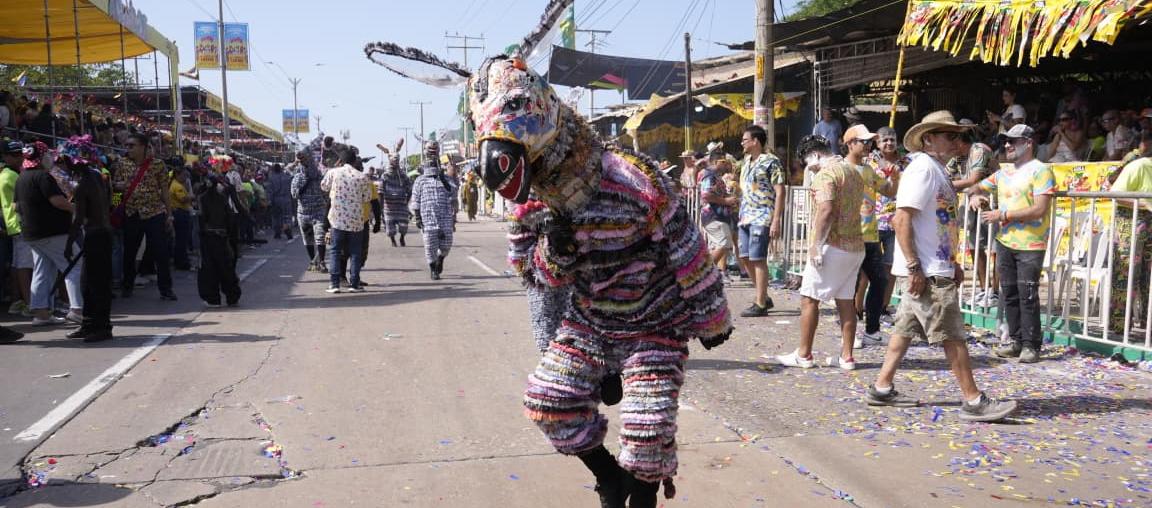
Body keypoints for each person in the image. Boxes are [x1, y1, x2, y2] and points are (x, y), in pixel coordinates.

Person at [865, 110, 1018, 422]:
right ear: (928, 139)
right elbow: (901, 219)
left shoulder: (936, 170)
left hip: (934, 265)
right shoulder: (923, 169)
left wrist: (953, 261)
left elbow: (939, 221)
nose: (956, 142)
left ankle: (882, 387)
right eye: (949, 136)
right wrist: (914, 267)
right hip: (927, 271)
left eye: (958, 136)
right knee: (953, 335)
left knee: (904, 330)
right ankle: (973, 400)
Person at [776, 135, 866, 370]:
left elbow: (826, 210)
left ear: (815, 155)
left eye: (808, 163)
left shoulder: (826, 174)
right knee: (846, 301)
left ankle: (804, 354)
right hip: (855, 247)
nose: (810, 168)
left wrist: (816, 245)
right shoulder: (853, 171)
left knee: (809, 298)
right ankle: (846, 357)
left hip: (831, 247)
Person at [969, 124, 1056, 364]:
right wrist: (976, 195)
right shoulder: (1003, 173)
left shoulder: (1041, 171)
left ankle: (1031, 345)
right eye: (1005, 141)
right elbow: (977, 186)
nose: (1007, 145)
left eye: (1013, 141)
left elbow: (1039, 209)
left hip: (1031, 243)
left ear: (1028, 143)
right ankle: (1017, 341)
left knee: (1027, 295)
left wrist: (1003, 215)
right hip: (1005, 241)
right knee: (1009, 293)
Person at [15, 140, 82, 326]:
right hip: (53, 232)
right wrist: (76, 209)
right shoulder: (44, 176)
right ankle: (77, 310)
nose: (53, 159)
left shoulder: (22, 178)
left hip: (32, 233)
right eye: (49, 156)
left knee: (42, 271)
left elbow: (15, 207)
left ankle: (41, 313)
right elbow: (58, 201)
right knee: (73, 265)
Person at [843, 125, 898, 348]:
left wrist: (895, 178)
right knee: (851, 286)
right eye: (863, 141)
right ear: (850, 144)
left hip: (870, 236)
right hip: (848, 236)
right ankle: (849, 333)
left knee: (879, 280)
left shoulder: (868, 170)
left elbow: (889, 190)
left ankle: (872, 331)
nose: (867, 145)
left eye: (869, 142)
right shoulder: (841, 170)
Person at [62, 137, 114, 342]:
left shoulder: (82, 184)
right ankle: (90, 324)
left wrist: (69, 244)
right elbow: (110, 201)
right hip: (103, 233)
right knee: (91, 284)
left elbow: (78, 218)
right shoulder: (98, 175)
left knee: (95, 285)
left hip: (95, 235)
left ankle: (102, 327)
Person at [113, 133, 176, 300]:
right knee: (129, 252)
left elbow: (165, 191)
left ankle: (166, 289)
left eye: (131, 145)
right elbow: (116, 190)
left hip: (154, 212)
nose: (128, 149)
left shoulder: (158, 165)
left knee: (161, 252)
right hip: (131, 213)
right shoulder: (122, 164)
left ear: (143, 146)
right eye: (127, 145)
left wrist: (169, 214)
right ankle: (127, 286)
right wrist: (116, 206)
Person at [737, 125, 786, 317]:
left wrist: (776, 220)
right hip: (745, 215)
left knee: (758, 258)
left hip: (762, 214)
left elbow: (780, 191)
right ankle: (763, 295)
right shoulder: (746, 161)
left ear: (755, 141)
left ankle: (760, 303)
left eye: (745, 140)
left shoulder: (771, 162)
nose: (742, 143)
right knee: (744, 256)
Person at [1106, 130, 1152, 335]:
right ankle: (1119, 324)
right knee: (1126, 273)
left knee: (1148, 276)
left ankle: (1147, 323)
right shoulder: (1138, 165)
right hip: (1130, 222)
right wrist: (1142, 204)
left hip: (1147, 222)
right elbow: (1115, 193)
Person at [950, 124, 1000, 307]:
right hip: (973, 203)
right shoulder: (956, 156)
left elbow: (973, 179)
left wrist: (940, 185)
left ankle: (995, 292)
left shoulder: (979, 149)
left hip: (993, 203)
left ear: (959, 141)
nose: (948, 144)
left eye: (950, 140)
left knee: (996, 248)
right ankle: (984, 289)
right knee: (974, 246)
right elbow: (946, 174)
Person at [867, 127, 908, 315]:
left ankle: (883, 306)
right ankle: (860, 308)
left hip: (897, 222)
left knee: (890, 266)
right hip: (872, 221)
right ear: (877, 143)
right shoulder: (869, 162)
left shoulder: (906, 162)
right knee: (867, 268)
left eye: (892, 139)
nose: (889, 143)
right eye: (885, 140)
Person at [321, 149, 372, 293]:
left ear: (341, 161)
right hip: (356, 220)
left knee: (335, 251)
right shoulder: (362, 176)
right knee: (355, 251)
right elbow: (367, 198)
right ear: (355, 161)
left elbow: (323, 186)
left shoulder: (333, 172)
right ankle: (354, 284)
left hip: (337, 219)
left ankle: (334, 284)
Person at [409, 141, 458, 280]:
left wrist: (443, 179)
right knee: (430, 246)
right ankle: (433, 269)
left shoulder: (446, 179)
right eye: (430, 164)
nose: (432, 166)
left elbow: (453, 192)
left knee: (447, 244)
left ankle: (440, 258)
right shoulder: (420, 181)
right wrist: (417, 217)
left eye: (434, 164)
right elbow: (415, 200)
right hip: (428, 218)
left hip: (445, 217)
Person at [196, 168, 242, 308]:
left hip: (209, 237)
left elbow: (202, 218)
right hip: (222, 237)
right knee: (226, 267)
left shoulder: (202, 199)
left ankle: (213, 298)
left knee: (209, 268)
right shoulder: (222, 198)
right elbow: (230, 218)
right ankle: (232, 297)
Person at [0, 140, 26, 342]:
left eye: (21, 154)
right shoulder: (10, 175)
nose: (20, 158)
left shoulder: (103, 172)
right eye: (15, 155)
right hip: (17, 224)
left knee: (17, 265)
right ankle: (30, 303)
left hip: (14, 225)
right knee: (23, 266)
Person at [699, 154, 738, 278]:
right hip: (713, 216)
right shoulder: (709, 175)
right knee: (724, 243)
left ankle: (708, 274)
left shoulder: (715, 176)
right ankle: (702, 272)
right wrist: (725, 201)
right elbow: (705, 195)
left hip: (717, 216)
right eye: (724, 161)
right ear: (716, 161)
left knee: (717, 246)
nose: (726, 164)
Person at [290, 150, 329, 272]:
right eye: (303, 161)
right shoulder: (297, 177)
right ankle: (313, 261)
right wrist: (307, 182)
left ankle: (322, 262)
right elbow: (295, 195)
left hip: (319, 211)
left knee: (320, 237)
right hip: (304, 213)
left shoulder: (319, 177)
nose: (306, 164)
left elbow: (325, 192)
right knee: (308, 239)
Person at [379, 144, 412, 247]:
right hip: (389, 206)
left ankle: (402, 237)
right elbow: (380, 192)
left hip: (401, 205)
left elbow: (409, 189)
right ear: (390, 160)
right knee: (390, 225)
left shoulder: (403, 175)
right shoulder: (385, 176)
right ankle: (393, 240)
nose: (395, 161)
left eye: (397, 159)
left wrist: (406, 201)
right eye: (393, 159)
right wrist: (381, 207)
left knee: (404, 225)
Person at [169, 164, 194, 271]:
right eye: (183, 175)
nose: (185, 177)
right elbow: (183, 199)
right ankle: (182, 263)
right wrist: (192, 197)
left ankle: (180, 261)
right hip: (180, 214)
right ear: (177, 175)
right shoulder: (177, 186)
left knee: (181, 240)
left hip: (180, 213)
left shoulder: (178, 184)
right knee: (181, 240)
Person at [265, 163, 294, 240]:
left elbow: (269, 191)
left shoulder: (271, 178)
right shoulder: (287, 177)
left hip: (276, 199)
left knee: (276, 216)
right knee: (287, 216)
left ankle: (277, 232)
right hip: (287, 199)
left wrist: (269, 201)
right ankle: (287, 228)